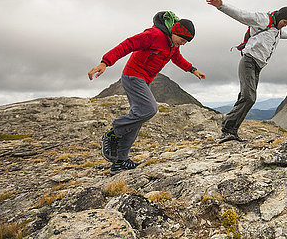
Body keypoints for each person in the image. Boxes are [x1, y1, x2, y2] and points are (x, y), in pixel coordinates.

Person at [88, 11, 205, 174]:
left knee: (137, 119)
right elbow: (127, 44)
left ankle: (120, 161)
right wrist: (105, 62)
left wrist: (192, 69)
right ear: (175, 31)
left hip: (145, 80)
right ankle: (113, 132)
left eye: (186, 42)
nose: (183, 44)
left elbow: (176, 58)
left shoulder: (173, 44)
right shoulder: (153, 35)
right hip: (132, 76)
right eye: (182, 40)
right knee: (149, 109)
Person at [206, 0, 287, 143]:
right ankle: (227, 129)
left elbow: (281, 34)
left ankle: (231, 131)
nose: (285, 25)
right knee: (249, 97)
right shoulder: (264, 19)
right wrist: (221, 6)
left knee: (246, 97)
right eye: (285, 22)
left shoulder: (276, 28)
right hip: (249, 60)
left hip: (258, 65)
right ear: (280, 17)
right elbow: (242, 15)